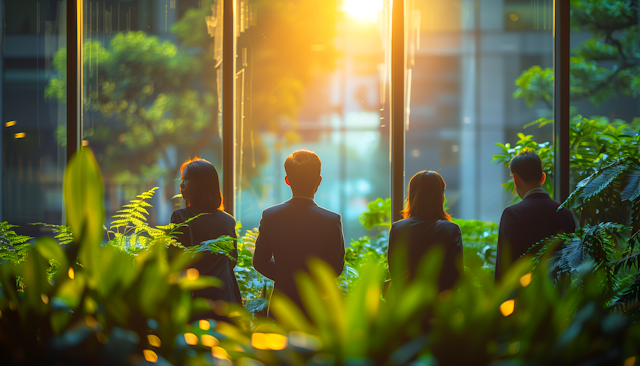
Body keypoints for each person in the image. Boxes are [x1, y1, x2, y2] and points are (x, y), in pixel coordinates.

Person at [253, 149, 345, 315]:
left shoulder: (270, 216)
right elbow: (335, 268)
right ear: (319, 181)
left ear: (287, 181)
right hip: (317, 305)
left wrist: (284, 276)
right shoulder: (331, 221)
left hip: (282, 303)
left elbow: (260, 261)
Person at [494, 149, 576, 281]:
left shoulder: (512, 215)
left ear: (515, 179)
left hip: (525, 298)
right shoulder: (565, 213)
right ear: (543, 178)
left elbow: (504, 271)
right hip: (560, 298)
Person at [170, 157, 243, 307]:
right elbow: (232, 260)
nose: (181, 184)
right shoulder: (228, 220)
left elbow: (174, 263)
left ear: (200, 184)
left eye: (187, 179)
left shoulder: (180, 217)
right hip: (226, 299)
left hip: (196, 301)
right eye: (182, 179)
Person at [387, 171, 464, 292]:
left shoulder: (398, 228)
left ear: (411, 196)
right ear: (440, 196)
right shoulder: (450, 229)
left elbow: (394, 270)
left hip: (406, 304)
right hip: (437, 304)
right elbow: (455, 277)